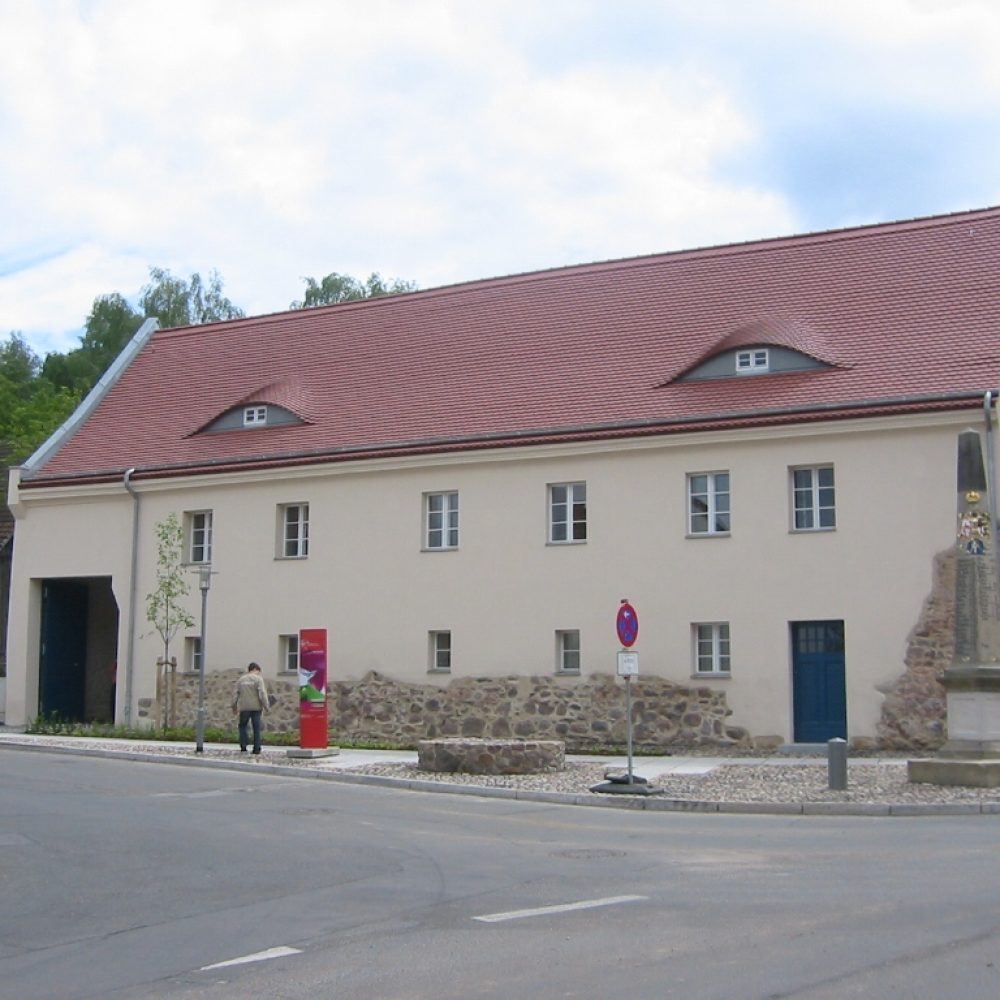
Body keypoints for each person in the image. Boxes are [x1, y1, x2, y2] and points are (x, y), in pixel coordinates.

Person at [231, 662, 271, 754]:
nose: (259, 673)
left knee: (242, 726)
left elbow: (235, 694)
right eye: (258, 671)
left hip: (244, 707)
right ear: (255, 669)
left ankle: (243, 746)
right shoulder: (258, 679)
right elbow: (262, 694)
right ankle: (256, 748)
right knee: (256, 728)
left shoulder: (241, 680)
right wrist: (266, 706)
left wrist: (234, 706)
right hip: (256, 707)